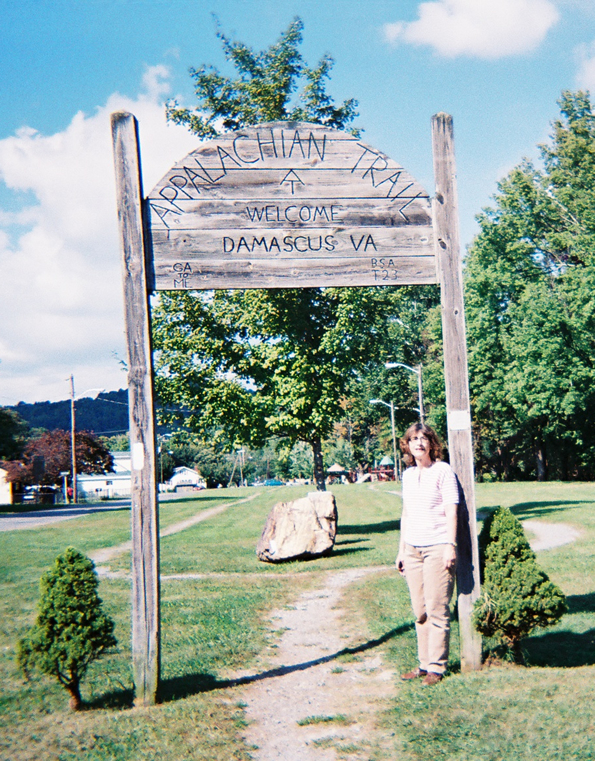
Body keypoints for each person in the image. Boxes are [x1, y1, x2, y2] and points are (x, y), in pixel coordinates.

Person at [396, 422, 459, 686]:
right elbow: (406, 514)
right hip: (412, 550)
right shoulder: (408, 475)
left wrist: (450, 545)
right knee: (419, 611)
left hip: (436, 548)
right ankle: (423, 664)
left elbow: (451, 510)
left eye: (424, 439)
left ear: (432, 444)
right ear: (407, 445)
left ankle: (437, 666)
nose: (419, 443)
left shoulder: (443, 471)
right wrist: (401, 550)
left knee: (437, 609)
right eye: (413, 439)